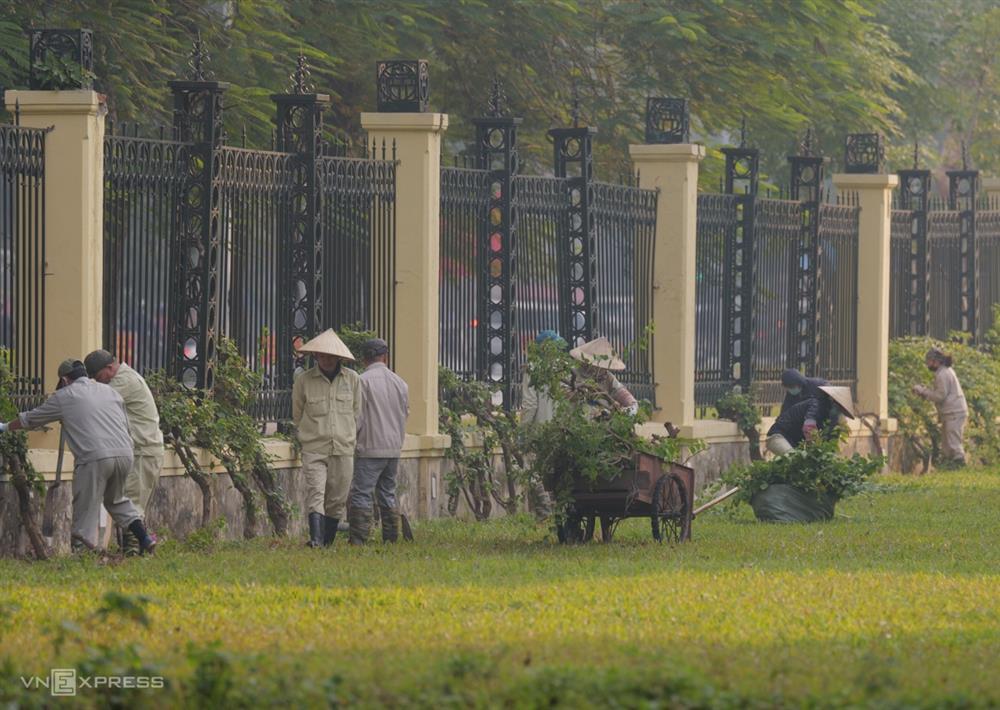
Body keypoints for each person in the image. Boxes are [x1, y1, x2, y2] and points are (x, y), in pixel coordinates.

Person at [0, 359, 156, 554]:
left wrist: (5, 427)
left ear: (65, 380)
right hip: (125, 454)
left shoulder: (64, 396)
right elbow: (125, 423)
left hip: (95, 458)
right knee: (117, 500)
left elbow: (31, 419)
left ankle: (83, 555)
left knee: (84, 507)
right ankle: (145, 538)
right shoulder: (110, 391)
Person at [84, 349, 164, 555]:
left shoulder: (123, 383)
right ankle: (133, 550)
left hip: (143, 452)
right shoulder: (120, 379)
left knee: (132, 504)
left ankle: (133, 553)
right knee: (126, 501)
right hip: (137, 450)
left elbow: (95, 403)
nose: (97, 382)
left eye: (98, 377)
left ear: (110, 368)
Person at [292, 329, 362, 547]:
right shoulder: (303, 381)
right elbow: (297, 414)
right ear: (316, 357)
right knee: (316, 493)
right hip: (314, 448)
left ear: (339, 357)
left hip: (343, 448)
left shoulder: (353, 380)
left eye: (330, 356)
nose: (326, 360)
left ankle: (326, 542)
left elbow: (357, 413)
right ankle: (315, 540)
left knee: (336, 500)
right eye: (322, 356)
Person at [348, 338, 408, 545]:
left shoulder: (362, 381)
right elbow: (404, 414)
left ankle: (359, 539)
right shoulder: (400, 383)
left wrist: (351, 441)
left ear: (364, 359)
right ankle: (391, 538)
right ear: (385, 356)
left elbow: (358, 417)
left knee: (362, 493)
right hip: (393, 448)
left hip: (370, 447)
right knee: (387, 493)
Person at [913, 347, 967, 468]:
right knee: (947, 444)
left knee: (953, 443)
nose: (928, 364)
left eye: (929, 361)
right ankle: (951, 467)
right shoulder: (946, 372)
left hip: (954, 412)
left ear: (936, 361)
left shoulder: (943, 374)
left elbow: (939, 396)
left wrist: (922, 391)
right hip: (953, 411)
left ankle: (959, 467)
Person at [766, 385, 853, 455]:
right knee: (793, 461)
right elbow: (809, 428)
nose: (839, 412)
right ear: (832, 401)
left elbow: (830, 444)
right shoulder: (815, 405)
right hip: (778, 436)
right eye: (838, 408)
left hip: (793, 443)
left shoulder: (830, 418)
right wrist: (816, 451)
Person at [568, 337, 639, 415]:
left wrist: (632, 407)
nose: (604, 368)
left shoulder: (608, 377)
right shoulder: (573, 373)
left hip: (603, 419)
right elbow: (566, 395)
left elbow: (621, 392)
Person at [520, 330, 565, 425]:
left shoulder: (532, 368)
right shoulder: (564, 367)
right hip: (563, 428)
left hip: (541, 428)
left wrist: (522, 431)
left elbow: (530, 404)